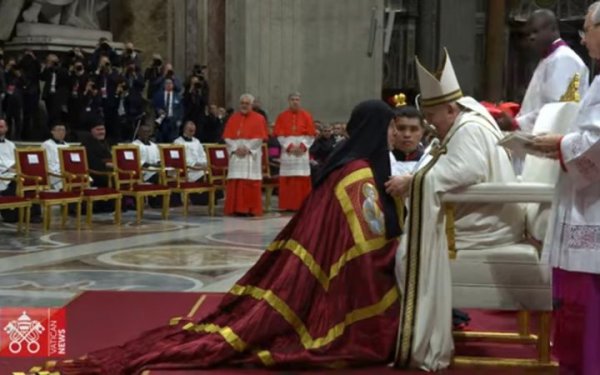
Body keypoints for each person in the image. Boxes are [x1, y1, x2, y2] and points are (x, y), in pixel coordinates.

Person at [24, 100, 403, 375]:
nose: (394, 135)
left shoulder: (348, 167)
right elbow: (365, 248)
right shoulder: (356, 175)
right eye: (391, 128)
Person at [388, 50, 524, 371]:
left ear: (451, 108)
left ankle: (424, 332)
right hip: (488, 213)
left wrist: (411, 181)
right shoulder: (465, 120)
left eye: (433, 117)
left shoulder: (469, 128)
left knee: (407, 252)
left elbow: (465, 171)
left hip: (489, 225)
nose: (430, 125)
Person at [531, 3, 600, 373]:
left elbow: (596, 142)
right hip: (588, 198)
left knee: (590, 311)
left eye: (587, 28)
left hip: (594, 208)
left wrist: (559, 144)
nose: (583, 36)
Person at [500, 9, 589, 134]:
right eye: (528, 34)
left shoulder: (563, 59)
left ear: (553, 29)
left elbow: (555, 109)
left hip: (551, 138)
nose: (531, 37)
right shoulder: (550, 58)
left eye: (535, 31)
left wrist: (517, 123)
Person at [222, 94, 268, 216]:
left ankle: (250, 209)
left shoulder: (259, 118)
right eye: (242, 103)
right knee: (236, 180)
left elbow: (259, 138)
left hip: (251, 155)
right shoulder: (233, 118)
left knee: (250, 181)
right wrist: (235, 148)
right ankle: (235, 209)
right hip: (236, 154)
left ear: (251, 105)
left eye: (247, 103)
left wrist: (247, 148)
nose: (244, 105)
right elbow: (227, 137)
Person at [273, 92, 316, 211]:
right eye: (292, 99)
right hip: (288, 152)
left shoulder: (307, 115)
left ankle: (303, 204)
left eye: (297, 99)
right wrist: (289, 147)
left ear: (300, 101)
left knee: (301, 177)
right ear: (289, 101)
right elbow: (280, 135)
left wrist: (302, 146)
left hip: (302, 152)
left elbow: (311, 135)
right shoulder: (281, 116)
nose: (295, 101)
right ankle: (288, 205)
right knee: (288, 178)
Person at [388, 103, 425, 177]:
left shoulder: (430, 162)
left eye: (414, 129)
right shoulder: (382, 161)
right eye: (401, 128)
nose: (407, 135)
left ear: (422, 132)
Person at [153, 78, 182, 142]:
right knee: (161, 140)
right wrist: (158, 110)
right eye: (167, 83)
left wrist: (180, 120)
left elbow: (181, 109)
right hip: (162, 121)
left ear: (173, 85)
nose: (169, 85)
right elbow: (154, 106)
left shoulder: (178, 96)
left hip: (173, 121)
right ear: (164, 85)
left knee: (173, 140)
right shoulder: (158, 95)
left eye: (170, 83)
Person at [41, 123, 69, 191]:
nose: (61, 132)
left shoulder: (67, 145)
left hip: (66, 170)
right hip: (53, 172)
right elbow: (46, 162)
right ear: (52, 131)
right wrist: (60, 170)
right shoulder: (46, 144)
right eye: (59, 130)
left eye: (63, 130)